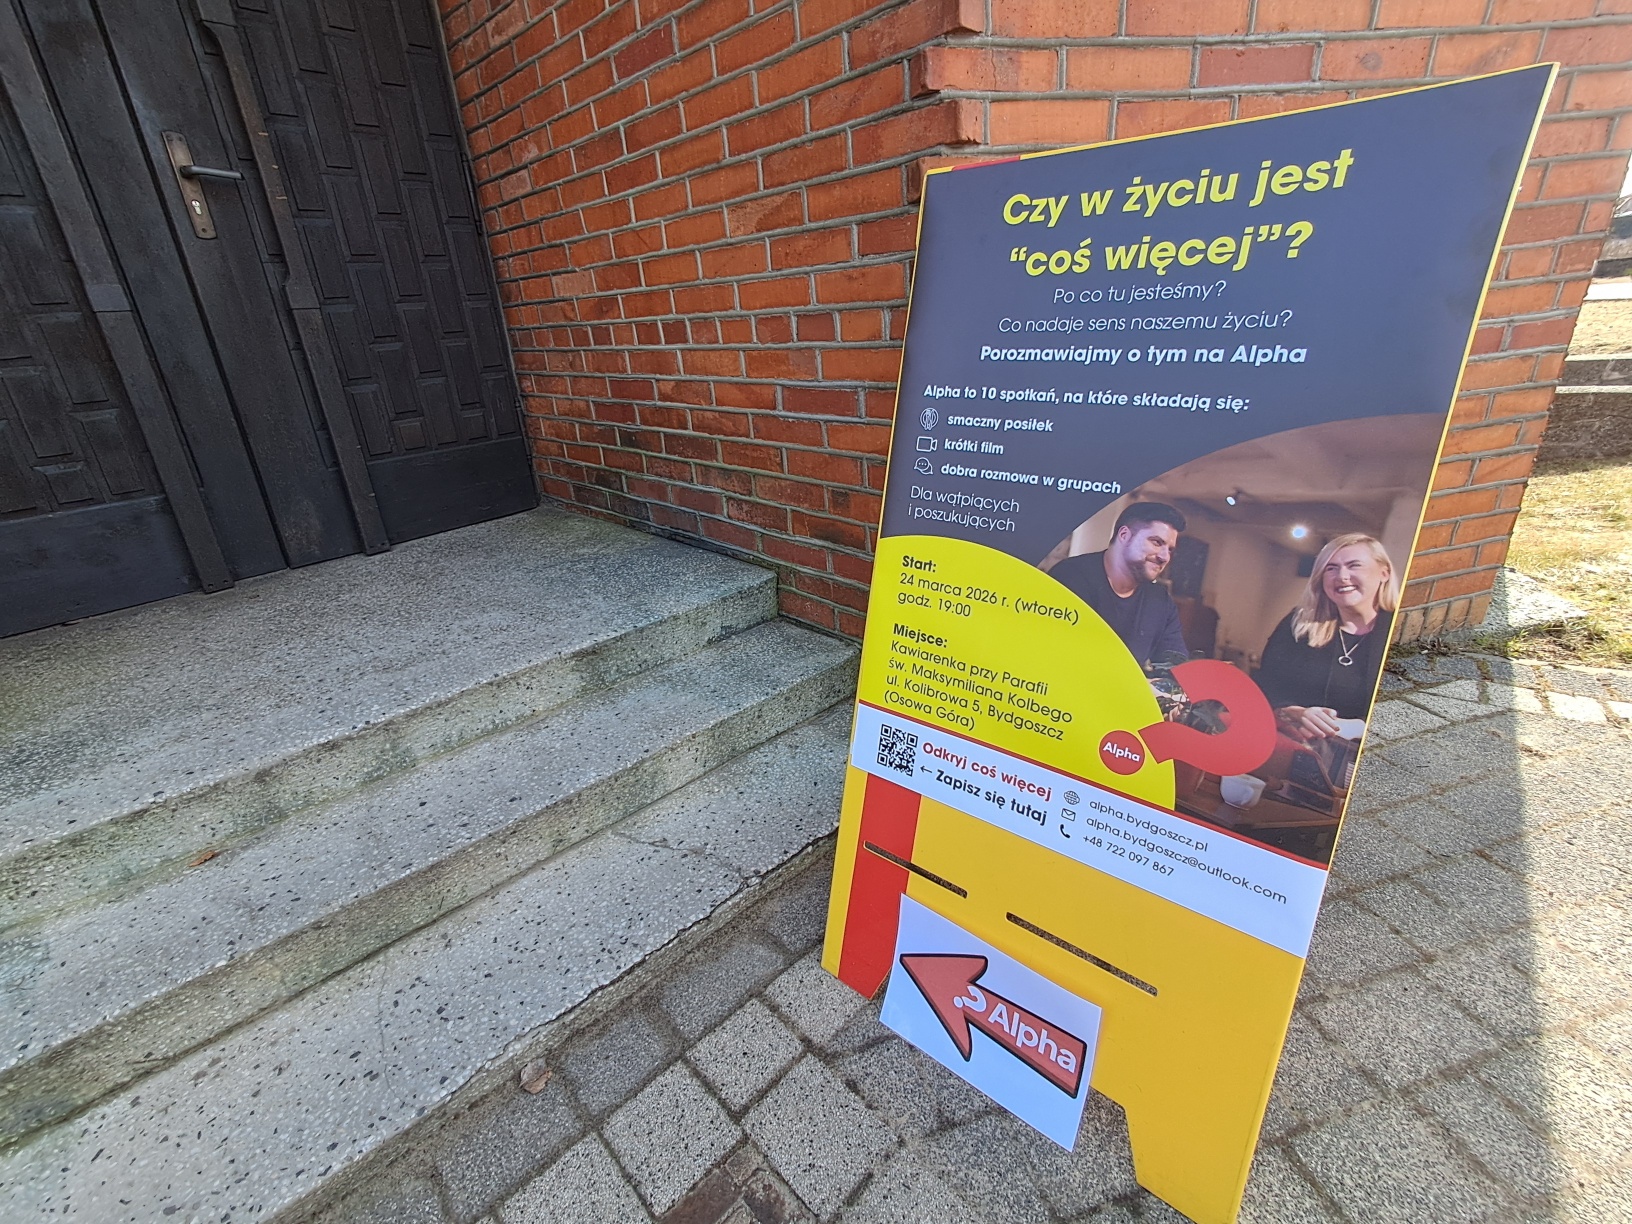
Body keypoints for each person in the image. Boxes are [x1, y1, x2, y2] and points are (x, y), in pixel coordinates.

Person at [1255, 533, 1397, 741]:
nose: (1342, 576)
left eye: (1354, 565)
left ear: (1384, 573)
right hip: (1295, 747)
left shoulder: (1404, 631)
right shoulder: (1299, 624)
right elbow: (1266, 686)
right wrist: (1297, 712)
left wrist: (1361, 728)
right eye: (1331, 568)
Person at [1049, 502, 1189, 670]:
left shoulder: (1160, 601)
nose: (1165, 557)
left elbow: (1175, 664)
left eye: (1170, 549)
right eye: (1157, 542)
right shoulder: (1071, 577)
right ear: (1124, 535)